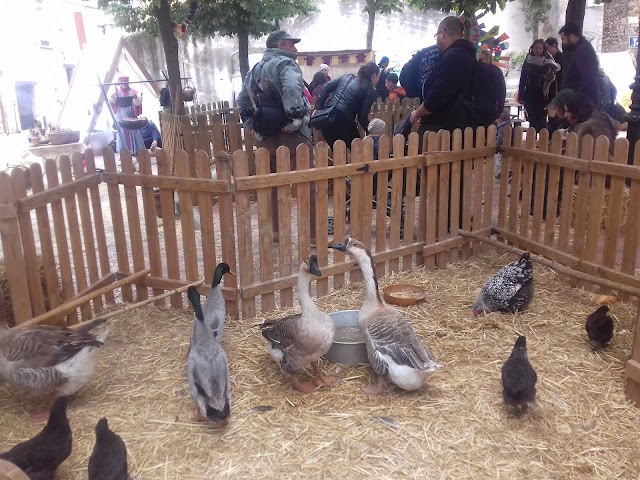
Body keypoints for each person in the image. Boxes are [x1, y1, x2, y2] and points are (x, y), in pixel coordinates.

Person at [237, 29, 315, 240]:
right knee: (308, 183)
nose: (295, 48)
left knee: (273, 186)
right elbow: (291, 88)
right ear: (281, 45)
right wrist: (294, 121)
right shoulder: (286, 64)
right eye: (291, 44)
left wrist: (251, 124)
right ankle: (313, 234)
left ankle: (276, 232)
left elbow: (242, 100)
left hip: (266, 137)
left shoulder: (255, 69)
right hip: (293, 137)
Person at [409, 16, 477, 136]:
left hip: (443, 129)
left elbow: (438, 96)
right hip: (458, 127)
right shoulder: (467, 55)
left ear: (442, 33)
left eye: (436, 36)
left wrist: (417, 113)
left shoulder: (453, 56)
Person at [314, 62, 379, 149]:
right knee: (357, 151)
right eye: (378, 76)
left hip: (327, 118)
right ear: (374, 75)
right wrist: (370, 131)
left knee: (338, 154)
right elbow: (362, 116)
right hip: (344, 121)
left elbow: (326, 87)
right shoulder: (370, 91)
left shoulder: (347, 77)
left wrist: (317, 107)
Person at [517, 39, 561, 131]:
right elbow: (523, 79)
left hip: (544, 96)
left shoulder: (548, 62)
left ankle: (542, 142)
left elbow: (552, 81)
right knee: (532, 121)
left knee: (542, 122)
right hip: (530, 95)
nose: (538, 50)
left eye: (540, 48)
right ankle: (532, 143)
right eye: (536, 48)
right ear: (532, 49)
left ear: (544, 49)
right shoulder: (528, 61)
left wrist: (553, 98)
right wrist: (521, 96)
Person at [558, 22, 599, 107]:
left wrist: (576, 100)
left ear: (571, 36)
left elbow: (587, 79)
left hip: (583, 103)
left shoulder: (583, 51)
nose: (563, 43)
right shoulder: (582, 49)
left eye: (563, 39)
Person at [109, 75, 145, 154]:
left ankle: (137, 152)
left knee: (135, 134)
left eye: (125, 81)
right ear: (119, 82)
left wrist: (135, 97)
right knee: (122, 135)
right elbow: (112, 102)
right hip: (121, 118)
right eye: (122, 81)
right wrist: (113, 99)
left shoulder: (133, 91)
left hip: (131, 117)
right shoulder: (116, 93)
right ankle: (123, 154)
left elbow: (138, 102)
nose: (124, 83)